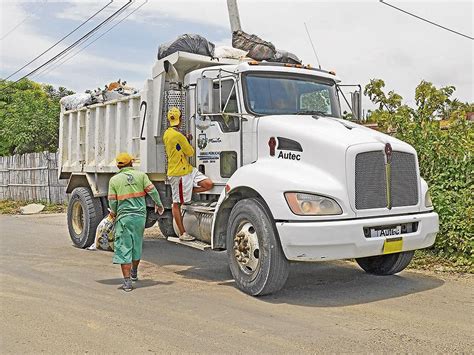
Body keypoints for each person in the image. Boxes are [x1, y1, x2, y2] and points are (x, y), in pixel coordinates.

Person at [108, 152, 164, 292]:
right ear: (131, 163)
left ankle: (127, 283)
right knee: (136, 245)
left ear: (118, 166)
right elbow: (153, 191)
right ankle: (134, 273)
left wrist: (114, 213)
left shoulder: (114, 180)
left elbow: (112, 201)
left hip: (124, 218)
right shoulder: (141, 176)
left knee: (124, 247)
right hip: (140, 217)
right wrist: (159, 204)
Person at [163, 107, 213, 241]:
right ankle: (183, 233)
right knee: (176, 203)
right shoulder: (178, 135)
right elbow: (190, 152)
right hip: (179, 173)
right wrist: (187, 140)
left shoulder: (167, 133)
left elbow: (177, 144)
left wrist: (184, 138)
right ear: (181, 120)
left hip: (187, 169)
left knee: (208, 184)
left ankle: (189, 191)